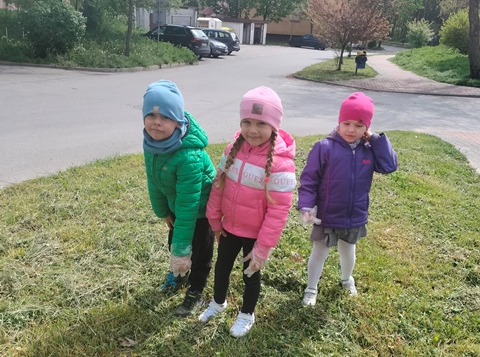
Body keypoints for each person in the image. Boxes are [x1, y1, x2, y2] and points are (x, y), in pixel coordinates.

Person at [199, 86, 296, 337]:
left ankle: (246, 314)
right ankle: (218, 302)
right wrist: (214, 220)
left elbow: (278, 211)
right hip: (229, 227)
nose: (252, 130)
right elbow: (218, 186)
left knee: (250, 275)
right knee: (221, 268)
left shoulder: (281, 163)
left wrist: (262, 248)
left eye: (261, 123)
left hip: (255, 236)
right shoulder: (232, 149)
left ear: (274, 126)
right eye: (247, 122)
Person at [298, 92, 398, 305]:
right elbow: (309, 179)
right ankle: (311, 288)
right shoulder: (324, 147)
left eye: (359, 126)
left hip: (354, 214)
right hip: (327, 215)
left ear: (367, 128)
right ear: (339, 122)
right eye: (346, 123)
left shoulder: (369, 151)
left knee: (348, 251)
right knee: (319, 252)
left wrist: (375, 140)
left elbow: (389, 166)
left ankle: (346, 279)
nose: (351, 130)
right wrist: (306, 205)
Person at [142, 80, 216, 317]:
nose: (156, 122)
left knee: (199, 252)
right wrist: (163, 211)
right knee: (174, 241)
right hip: (178, 206)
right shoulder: (152, 143)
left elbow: (189, 204)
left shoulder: (189, 156)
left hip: (201, 209)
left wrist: (182, 251)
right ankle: (180, 274)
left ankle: (196, 290)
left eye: (165, 117)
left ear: (178, 121)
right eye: (151, 115)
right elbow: (153, 180)